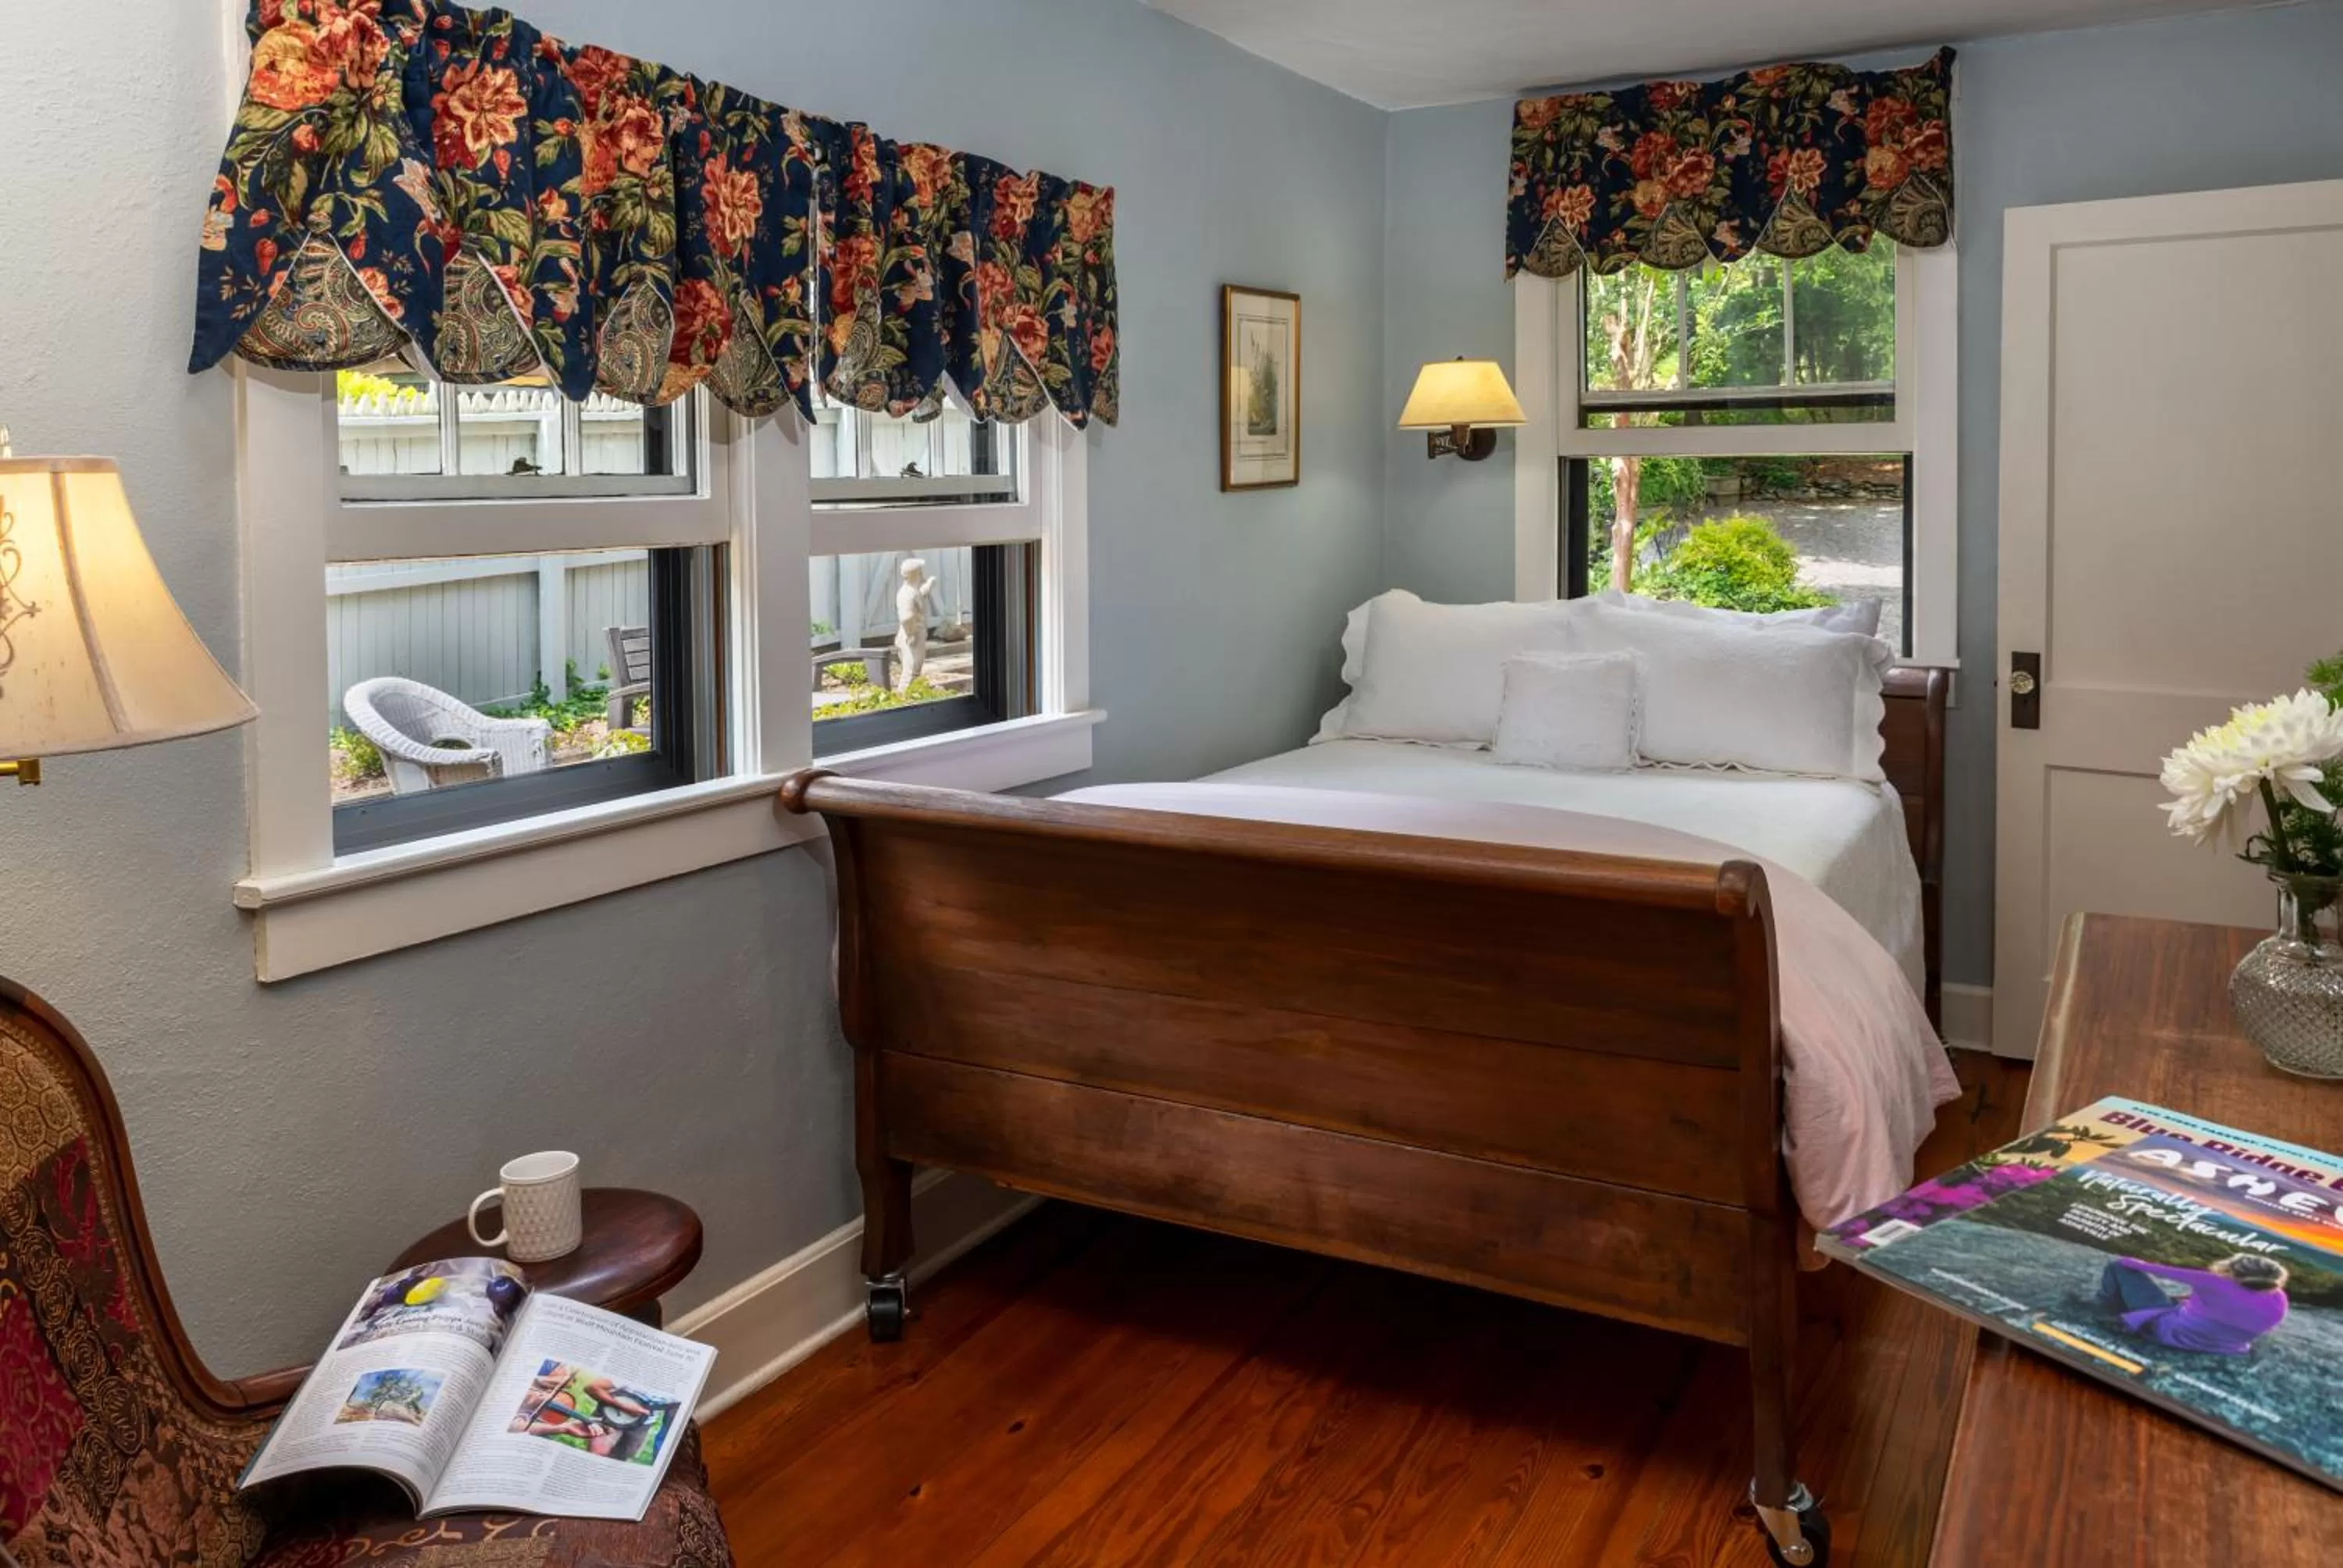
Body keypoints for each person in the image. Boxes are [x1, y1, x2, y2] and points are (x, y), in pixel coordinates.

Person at [2097, 1253, 2289, 1356]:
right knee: (2179, 1302)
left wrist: (2132, 1260)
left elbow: (2145, 1267)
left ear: (2235, 1270)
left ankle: (2108, 1303)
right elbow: (2238, 1310)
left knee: (2117, 1267)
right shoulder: (2280, 1298)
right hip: (2226, 1347)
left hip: (2172, 1333)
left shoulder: (2214, 1281)